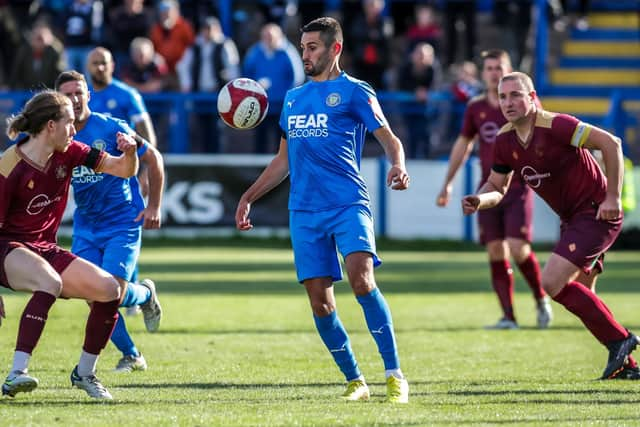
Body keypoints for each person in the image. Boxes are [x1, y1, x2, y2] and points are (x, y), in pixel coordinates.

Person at [235, 17, 410, 402]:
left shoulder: (356, 92)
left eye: (312, 47)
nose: (305, 54)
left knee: (362, 279)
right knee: (320, 300)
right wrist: (249, 196)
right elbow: (283, 162)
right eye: (302, 48)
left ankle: (395, 375)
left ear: (335, 49)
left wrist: (397, 164)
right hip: (304, 212)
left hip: (348, 203)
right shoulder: (294, 99)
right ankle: (355, 381)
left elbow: (390, 139)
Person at [462, 71, 639, 379]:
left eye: (517, 95)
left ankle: (622, 340)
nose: (508, 102)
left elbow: (611, 143)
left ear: (532, 98)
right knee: (585, 293)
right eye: (503, 97)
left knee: (552, 282)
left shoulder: (557, 125)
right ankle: (627, 366)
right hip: (572, 220)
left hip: (597, 212)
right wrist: (480, 200)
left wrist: (613, 198)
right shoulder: (504, 140)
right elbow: (496, 184)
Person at [0, 90, 138, 399]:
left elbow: (122, 170)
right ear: (50, 126)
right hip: (7, 247)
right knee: (48, 281)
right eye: (69, 123)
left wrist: (129, 155)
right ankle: (16, 373)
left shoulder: (69, 151)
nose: (75, 130)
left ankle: (85, 374)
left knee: (109, 289)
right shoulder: (8, 167)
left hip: (45, 248)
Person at [55, 70, 164, 374]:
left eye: (80, 92)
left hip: (122, 223)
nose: (75, 99)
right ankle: (132, 354)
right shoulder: (57, 136)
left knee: (111, 291)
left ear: (89, 95)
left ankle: (142, 294)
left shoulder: (111, 127)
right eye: (68, 94)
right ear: (58, 101)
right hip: (86, 227)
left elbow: (154, 158)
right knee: (94, 297)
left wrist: (154, 205)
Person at [437, 50, 552, 330]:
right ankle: (509, 317)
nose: (493, 73)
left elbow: (545, 139)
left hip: (518, 189)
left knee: (518, 248)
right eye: (488, 68)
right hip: (487, 189)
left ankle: (540, 298)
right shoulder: (476, 108)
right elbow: (462, 146)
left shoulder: (526, 105)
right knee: (495, 251)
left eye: (498, 67)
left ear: (509, 69)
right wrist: (448, 184)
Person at [242, 23, 305, 154]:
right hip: (260, 107)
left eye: (271, 36)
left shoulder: (288, 52)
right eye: (265, 36)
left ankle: (282, 173)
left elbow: (297, 78)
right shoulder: (255, 52)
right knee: (260, 139)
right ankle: (260, 171)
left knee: (281, 142)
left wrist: (286, 99)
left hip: (281, 107)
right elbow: (247, 74)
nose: (268, 39)